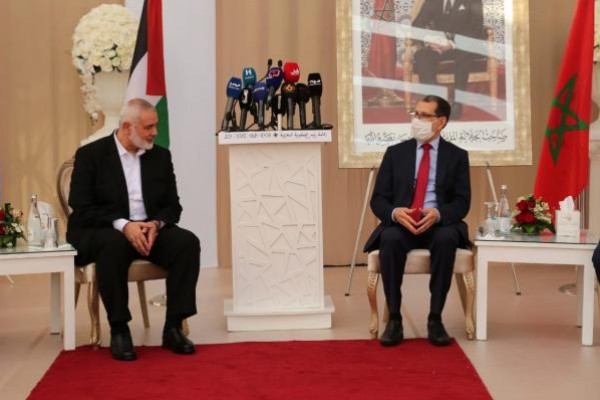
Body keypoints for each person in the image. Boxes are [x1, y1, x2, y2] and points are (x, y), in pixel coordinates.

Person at [67, 98, 201, 361]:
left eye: (155, 126)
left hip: (148, 230)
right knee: (113, 244)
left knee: (187, 243)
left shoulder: (160, 156)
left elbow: (173, 206)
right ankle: (119, 329)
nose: (155, 132)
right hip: (104, 229)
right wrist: (124, 225)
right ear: (127, 127)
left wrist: (155, 224)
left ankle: (173, 327)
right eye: (149, 127)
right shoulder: (91, 155)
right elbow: (81, 206)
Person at [363, 95, 470, 347]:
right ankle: (395, 319)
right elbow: (378, 199)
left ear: (441, 122)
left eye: (424, 115)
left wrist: (438, 213)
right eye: (416, 114)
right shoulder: (395, 153)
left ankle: (435, 319)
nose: (417, 120)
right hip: (403, 223)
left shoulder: (457, 156)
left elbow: (462, 202)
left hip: (437, 223)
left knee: (446, 239)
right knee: (390, 238)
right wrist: (395, 213)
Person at [411, 0, 485, 117]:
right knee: (421, 56)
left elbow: (476, 29)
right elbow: (417, 24)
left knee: (463, 55)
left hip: (465, 45)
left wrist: (452, 43)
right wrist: (430, 39)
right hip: (440, 45)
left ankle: (457, 105)